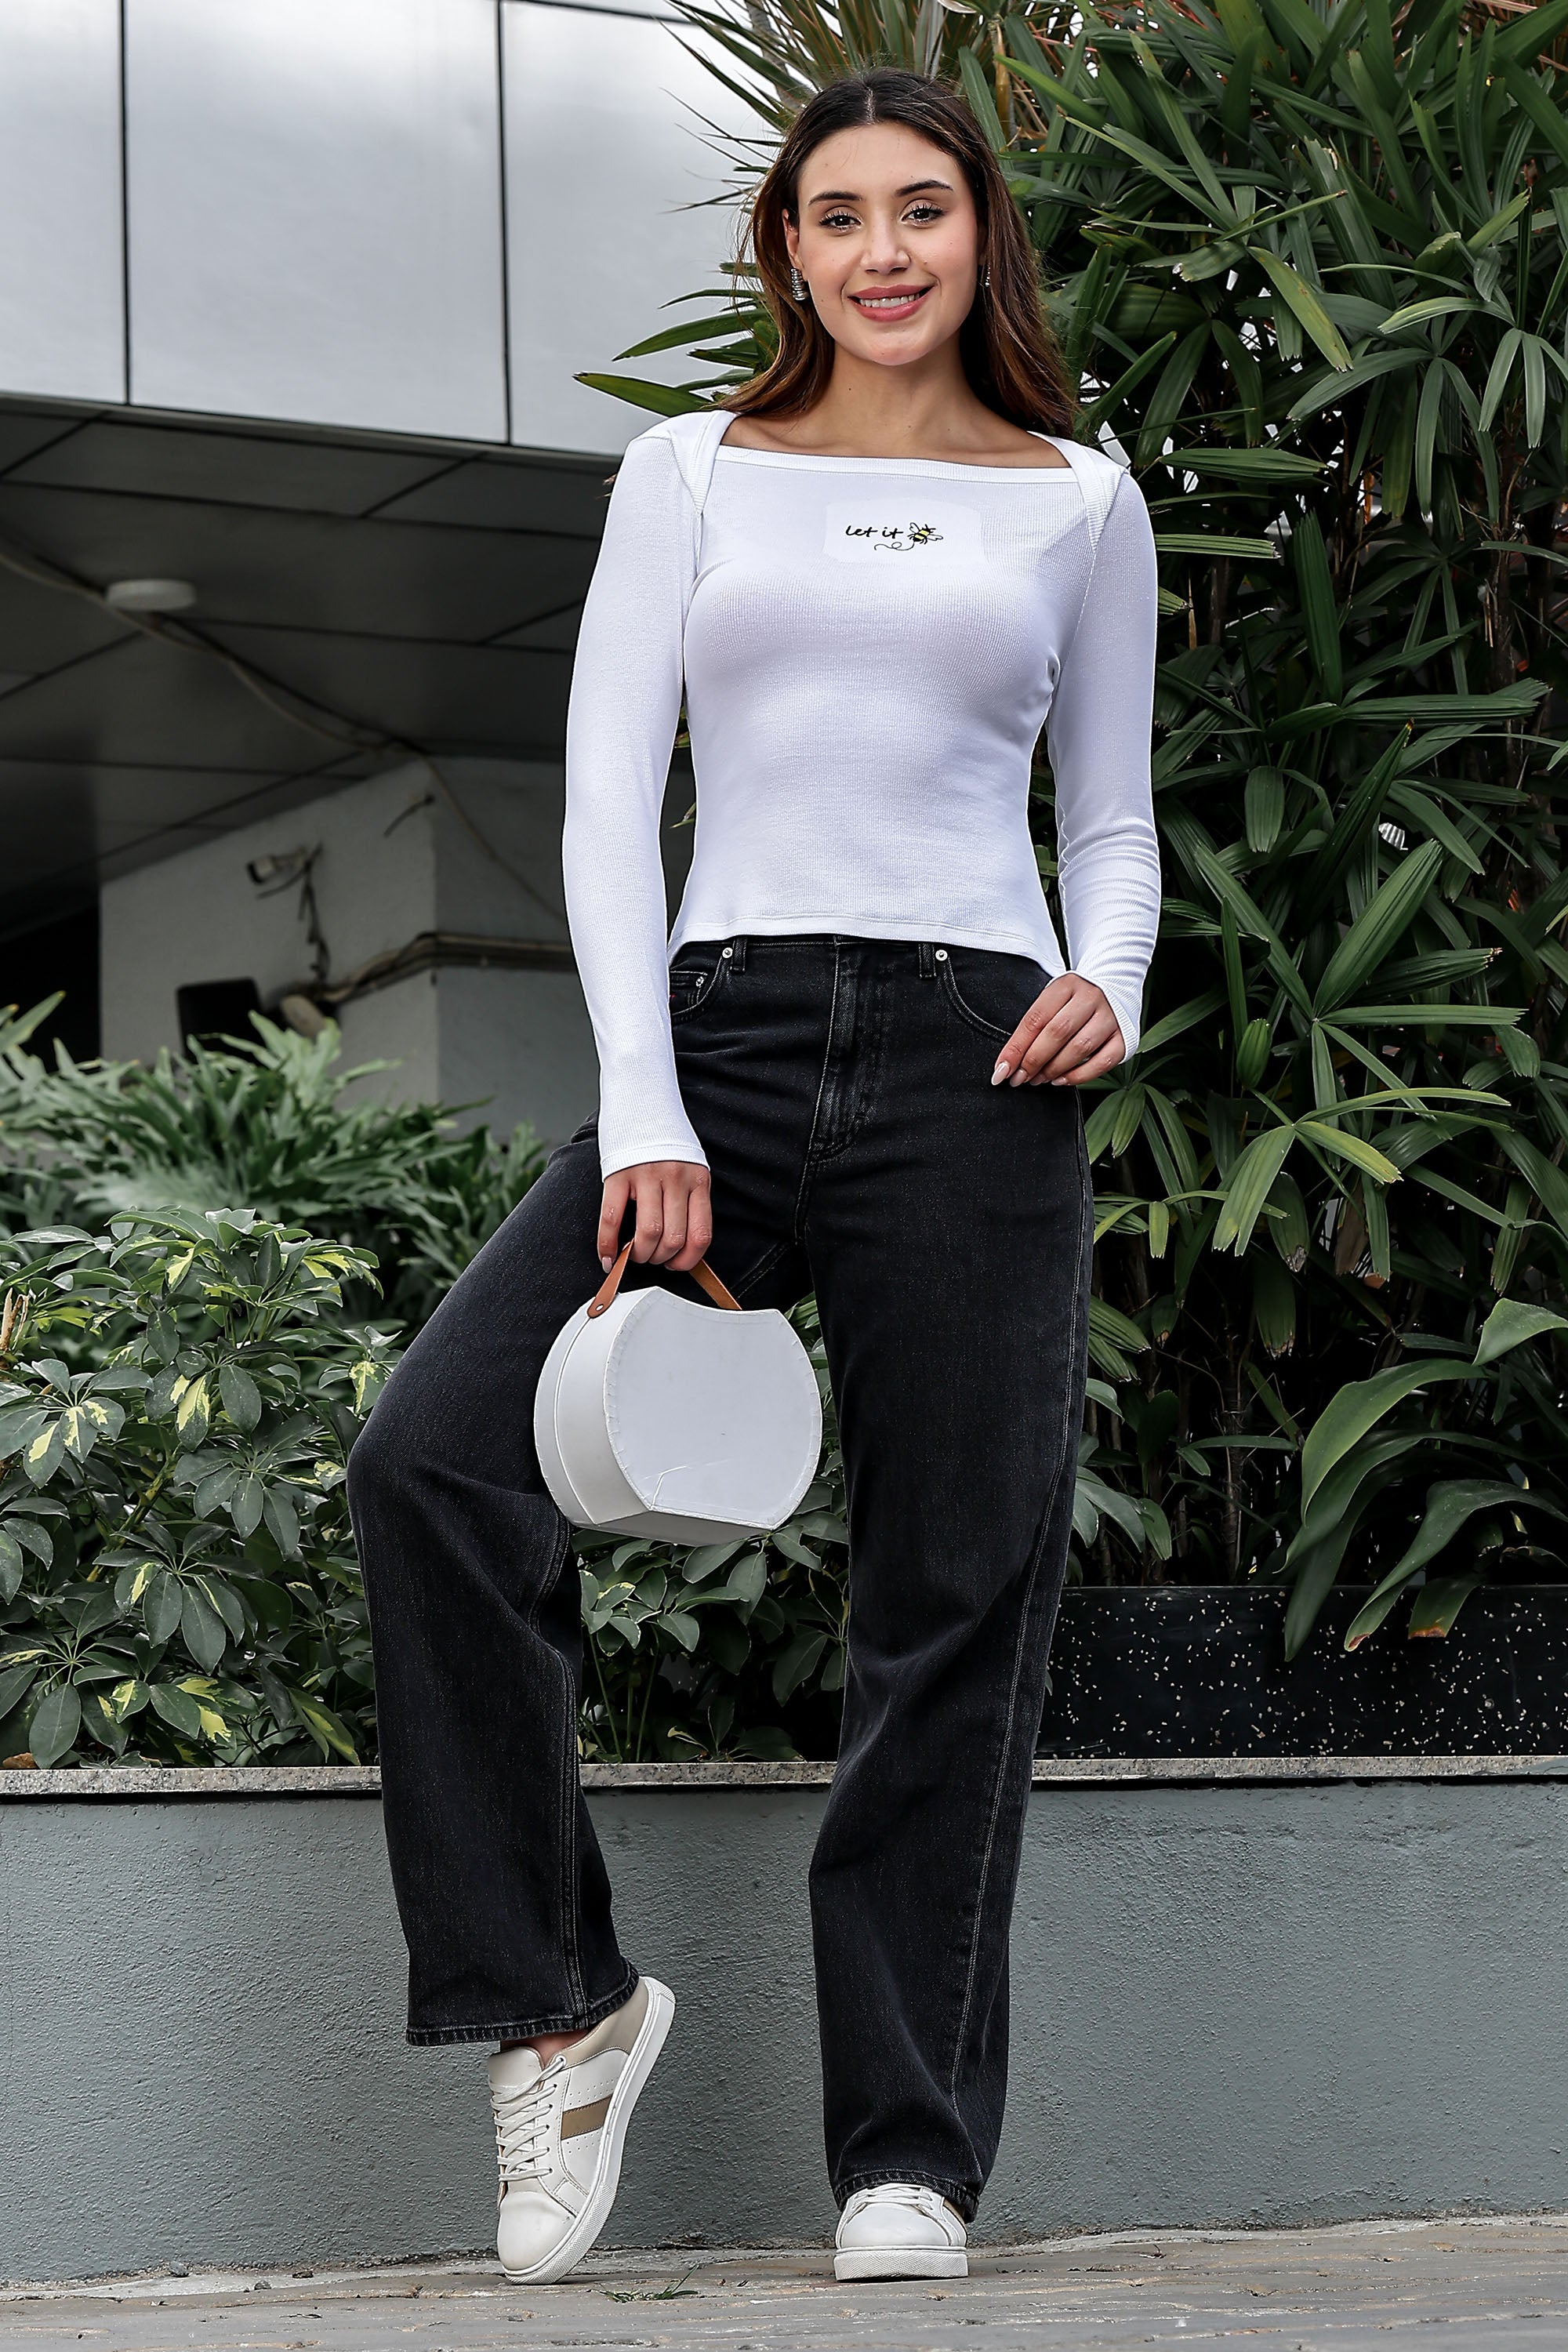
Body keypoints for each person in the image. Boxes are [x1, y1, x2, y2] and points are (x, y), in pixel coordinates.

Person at [347, 62, 1160, 2290]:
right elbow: (610, 802)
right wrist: (648, 1103)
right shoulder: (691, 470)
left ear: (981, 235)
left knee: (955, 1591)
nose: (885, 250)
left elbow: (1108, 819)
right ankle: (562, 2007)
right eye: (840, 215)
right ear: (787, 250)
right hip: (717, 1033)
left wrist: (1111, 977)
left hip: (980, 1058)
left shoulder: (1081, 502)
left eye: (924, 208)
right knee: (436, 1458)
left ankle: (907, 2157)